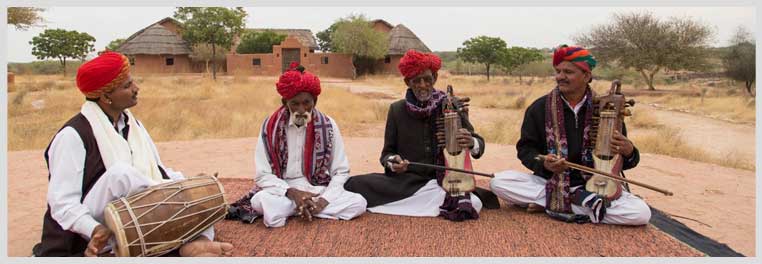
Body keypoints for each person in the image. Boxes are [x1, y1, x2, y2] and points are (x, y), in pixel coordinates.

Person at [32, 51, 234, 257]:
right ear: (105, 96)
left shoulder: (133, 124)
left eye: (132, 82)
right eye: (127, 86)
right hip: (90, 225)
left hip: (132, 213)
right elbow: (63, 203)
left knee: (202, 205)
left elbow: (158, 169)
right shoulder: (72, 136)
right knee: (121, 174)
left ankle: (196, 242)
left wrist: (187, 183)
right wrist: (93, 228)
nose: (136, 89)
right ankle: (177, 226)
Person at [490, 45, 651, 225]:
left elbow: (623, 161)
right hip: (551, 183)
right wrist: (544, 163)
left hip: (598, 185)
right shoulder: (539, 107)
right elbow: (525, 149)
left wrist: (629, 151)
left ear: (586, 76)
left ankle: (557, 204)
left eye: (568, 72)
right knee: (499, 182)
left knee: (641, 214)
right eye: (558, 71)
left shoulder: (607, 110)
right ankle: (586, 206)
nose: (560, 77)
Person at [344, 49, 496, 222]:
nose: (423, 85)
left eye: (427, 79)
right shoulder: (397, 110)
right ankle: (430, 203)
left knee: (474, 202)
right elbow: (386, 155)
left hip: (445, 182)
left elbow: (479, 147)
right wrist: (394, 163)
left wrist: (471, 142)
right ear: (407, 82)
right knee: (354, 184)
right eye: (417, 80)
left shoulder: (451, 105)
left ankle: (413, 205)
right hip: (407, 183)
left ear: (435, 78)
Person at [226, 63, 367, 227]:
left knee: (358, 203)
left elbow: (341, 171)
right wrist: (292, 193)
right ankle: (302, 207)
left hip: (315, 188)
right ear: (285, 101)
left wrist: (323, 201)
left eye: (307, 103)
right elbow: (263, 175)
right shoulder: (270, 127)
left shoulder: (328, 126)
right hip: (281, 190)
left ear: (315, 101)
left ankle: (304, 208)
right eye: (295, 104)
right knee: (261, 200)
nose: (301, 109)